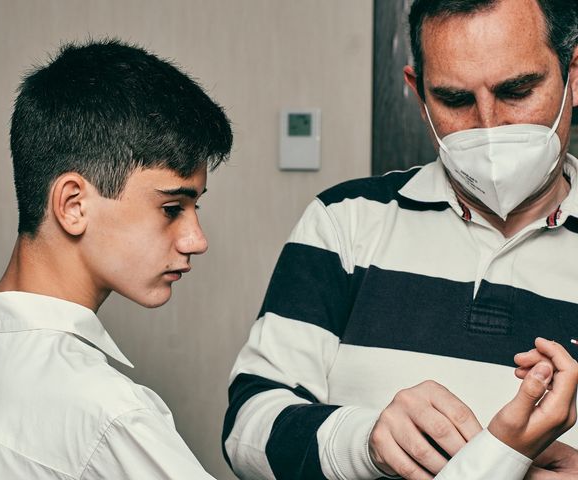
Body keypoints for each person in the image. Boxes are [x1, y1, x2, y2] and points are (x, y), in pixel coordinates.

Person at [222, 0, 578, 478]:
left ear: (573, 74)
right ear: (418, 93)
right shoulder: (344, 222)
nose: (489, 128)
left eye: (517, 91)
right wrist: (366, 443)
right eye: (454, 99)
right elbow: (245, 431)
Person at [0, 39, 232, 479]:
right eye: (172, 209)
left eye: (197, 208)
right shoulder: (112, 419)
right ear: (73, 204)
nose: (196, 240)